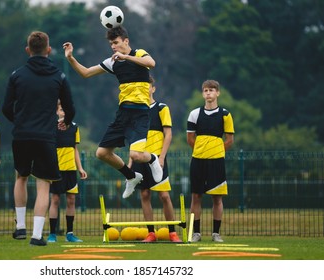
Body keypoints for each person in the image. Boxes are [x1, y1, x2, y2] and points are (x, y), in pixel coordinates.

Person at [63, 26, 162, 199]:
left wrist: (126, 57)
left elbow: (151, 63)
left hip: (140, 114)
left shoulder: (139, 53)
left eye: (116, 43)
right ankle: (131, 177)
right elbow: (86, 73)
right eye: (111, 44)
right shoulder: (112, 62)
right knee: (101, 153)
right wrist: (71, 58)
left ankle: (153, 159)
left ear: (126, 41)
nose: (113, 47)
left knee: (136, 155)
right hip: (123, 114)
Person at [2, 31, 75, 246]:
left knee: (21, 177)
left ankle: (20, 227)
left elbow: (6, 107)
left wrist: (20, 123)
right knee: (43, 184)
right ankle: (36, 235)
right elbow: (70, 108)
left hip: (22, 135)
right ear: (49, 50)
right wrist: (66, 121)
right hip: (46, 136)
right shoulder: (59, 76)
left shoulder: (16, 75)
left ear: (28, 50)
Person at [129, 76, 182, 243]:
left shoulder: (161, 108)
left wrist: (161, 157)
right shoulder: (137, 111)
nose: (145, 89)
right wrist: (130, 163)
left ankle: (172, 232)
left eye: (148, 86)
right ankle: (151, 233)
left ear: (153, 89)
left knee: (164, 196)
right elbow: (133, 138)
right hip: (139, 158)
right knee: (144, 194)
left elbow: (168, 134)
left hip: (157, 159)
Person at [186, 80, 234, 243]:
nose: (208, 93)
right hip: (198, 161)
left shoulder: (225, 114)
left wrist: (216, 151)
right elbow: (190, 139)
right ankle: (196, 233)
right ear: (202, 94)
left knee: (217, 198)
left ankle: (215, 233)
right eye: (206, 90)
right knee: (196, 197)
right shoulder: (194, 114)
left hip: (217, 161)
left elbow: (229, 140)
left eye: (212, 90)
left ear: (217, 93)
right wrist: (202, 151)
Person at [47, 101, 88, 243]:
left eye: (66, 110)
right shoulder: (51, 127)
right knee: (55, 200)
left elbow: (75, 149)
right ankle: (52, 234)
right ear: (57, 112)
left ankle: (70, 233)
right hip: (57, 170)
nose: (63, 112)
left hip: (71, 170)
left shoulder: (75, 128)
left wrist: (80, 168)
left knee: (71, 200)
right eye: (61, 110)